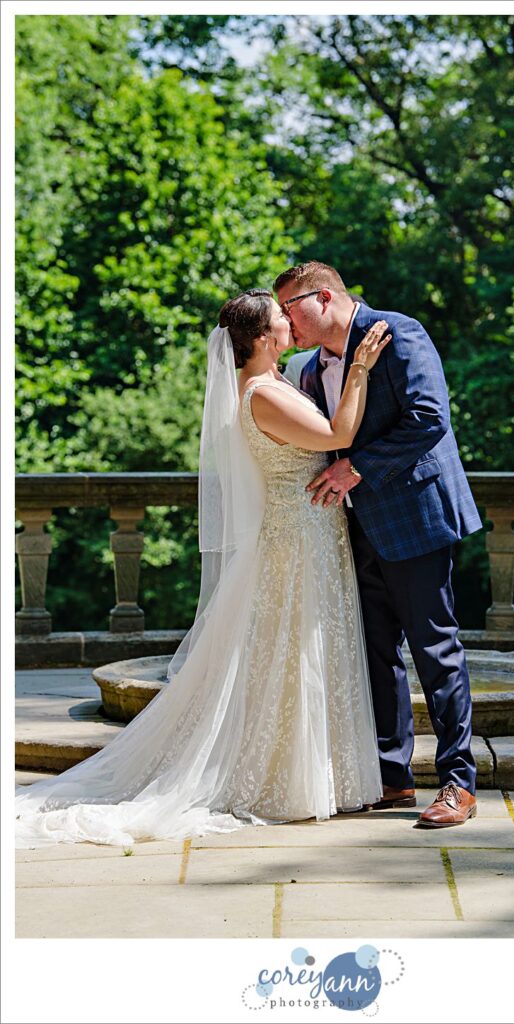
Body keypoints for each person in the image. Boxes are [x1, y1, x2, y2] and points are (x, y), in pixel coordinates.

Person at [15, 290, 391, 848]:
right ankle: (283, 782)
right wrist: (360, 367)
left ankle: (315, 777)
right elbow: (339, 436)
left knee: (303, 653)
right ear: (262, 339)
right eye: (280, 319)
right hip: (294, 540)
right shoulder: (263, 393)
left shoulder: (278, 381)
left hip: (311, 532)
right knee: (291, 654)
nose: (290, 322)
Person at [274, 262, 483, 829]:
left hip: (415, 520)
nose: (286, 322)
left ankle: (458, 784)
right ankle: (392, 778)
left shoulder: (399, 332)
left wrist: (356, 467)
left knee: (435, 651)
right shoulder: (308, 368)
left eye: (289, 308)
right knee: (375, 654)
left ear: (322, 298)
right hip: (349, 528)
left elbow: (429, 419)